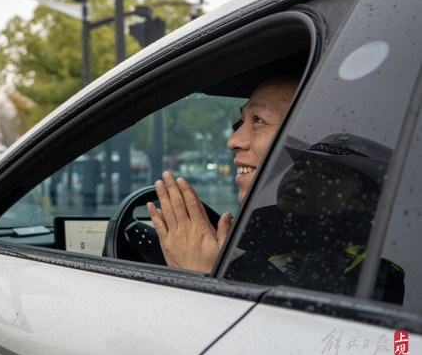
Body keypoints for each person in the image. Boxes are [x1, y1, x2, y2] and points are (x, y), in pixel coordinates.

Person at [224, 133, 405, 303]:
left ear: (367, 202)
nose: (300, 178)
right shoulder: (236, 232)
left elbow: (395, 337)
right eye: (299, 167)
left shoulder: (378, 275)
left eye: (325, 174)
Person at [146, 73, 299, 272]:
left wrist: (198, 270)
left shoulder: (333, 247)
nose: (232, 141)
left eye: (259, 120)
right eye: (241, 122)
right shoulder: (288, 232)